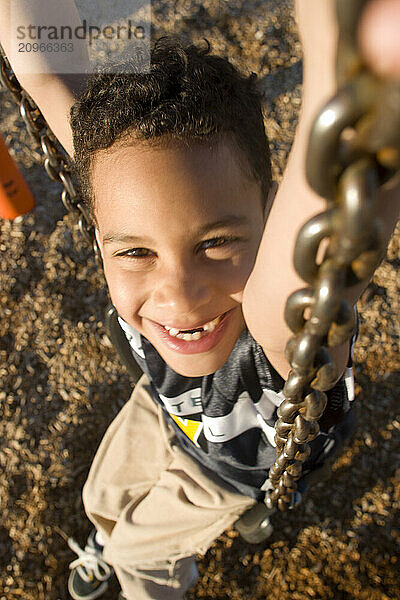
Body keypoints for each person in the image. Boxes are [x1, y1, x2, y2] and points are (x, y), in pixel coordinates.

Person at [1, 1, 399, 599]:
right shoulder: (112, 186)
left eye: (215, 243)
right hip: (167, 406)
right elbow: (45, 68)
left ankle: (149, 574)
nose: (179, 295)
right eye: (136, 252)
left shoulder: (275, 328)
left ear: (272, 213)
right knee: (100, 497)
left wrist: (354, 65)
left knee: (141, 551)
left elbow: (328, 221)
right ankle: (112, 540)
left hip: (231, 469)